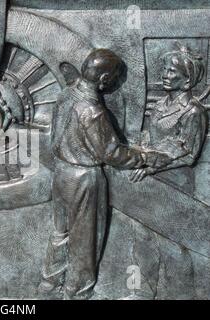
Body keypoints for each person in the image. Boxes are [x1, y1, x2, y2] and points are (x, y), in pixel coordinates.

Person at [39, 49, 172, 299]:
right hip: (84, 179)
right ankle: (78, 293)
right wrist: (146, 157)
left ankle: (49, 284)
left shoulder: (66, 94)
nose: (115, 84)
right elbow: (111, 154)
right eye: (114, 79)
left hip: (62, 174)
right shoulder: (92, 110)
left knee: (60, 233)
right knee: (85, 242)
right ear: (103, 80)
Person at [130, 44, 208, 182]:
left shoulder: (194, 111)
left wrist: (150, 169)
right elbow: (150, 135)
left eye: (171, 71)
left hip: (177, 180)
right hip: (149, 165)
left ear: (187, 79)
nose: (164, 75)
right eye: (164, 69)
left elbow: (189, 156)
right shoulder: (159, 105)